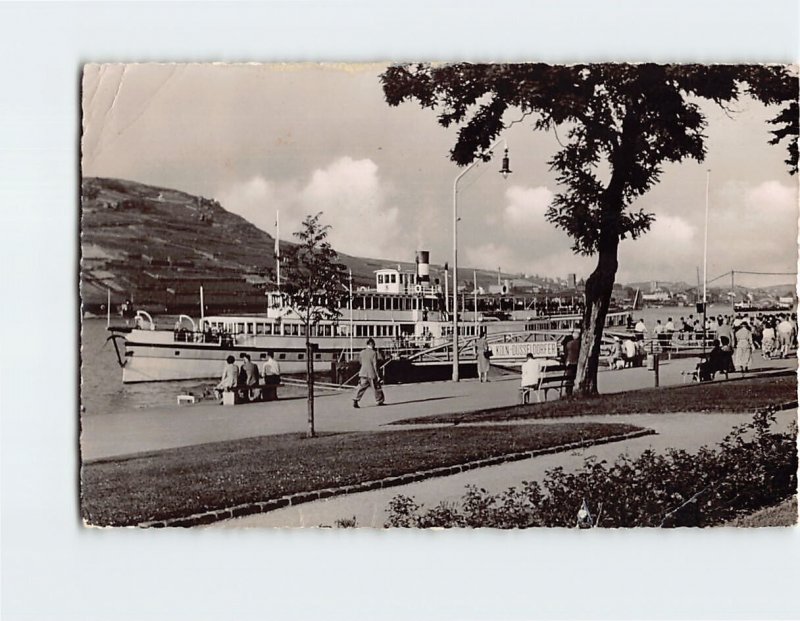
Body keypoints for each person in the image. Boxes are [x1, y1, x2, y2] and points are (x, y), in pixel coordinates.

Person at [353, 338, 385, 408]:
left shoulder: (362, 352)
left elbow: (360, 362)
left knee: (361, 387)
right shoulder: (374, 353)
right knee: (376, 387)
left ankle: (356, 399)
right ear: (372, 344)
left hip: (363, 372)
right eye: (374, 344)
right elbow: (375, 365)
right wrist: (378, 375)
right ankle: (379, 400)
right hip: (372, 373)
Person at [563, 330, 581, 396]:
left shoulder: (569, 344)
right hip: (578, 363)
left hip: (570, 363)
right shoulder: (580, 344)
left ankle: (568, 391)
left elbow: (566, 354)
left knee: (569, 378)